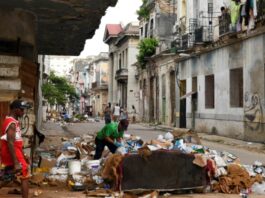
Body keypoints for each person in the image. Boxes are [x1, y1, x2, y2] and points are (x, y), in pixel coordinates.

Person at [0, 99, 30, 198]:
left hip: (14, 152)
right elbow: (10, 142)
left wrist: (23, 155)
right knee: (24, 175)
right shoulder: (11, 123)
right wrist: (16, 162)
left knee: (7, 178)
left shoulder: (13, 121)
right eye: (22, 110)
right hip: (12, 153)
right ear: (16, 110)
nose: (23, 112)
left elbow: (17, 142)